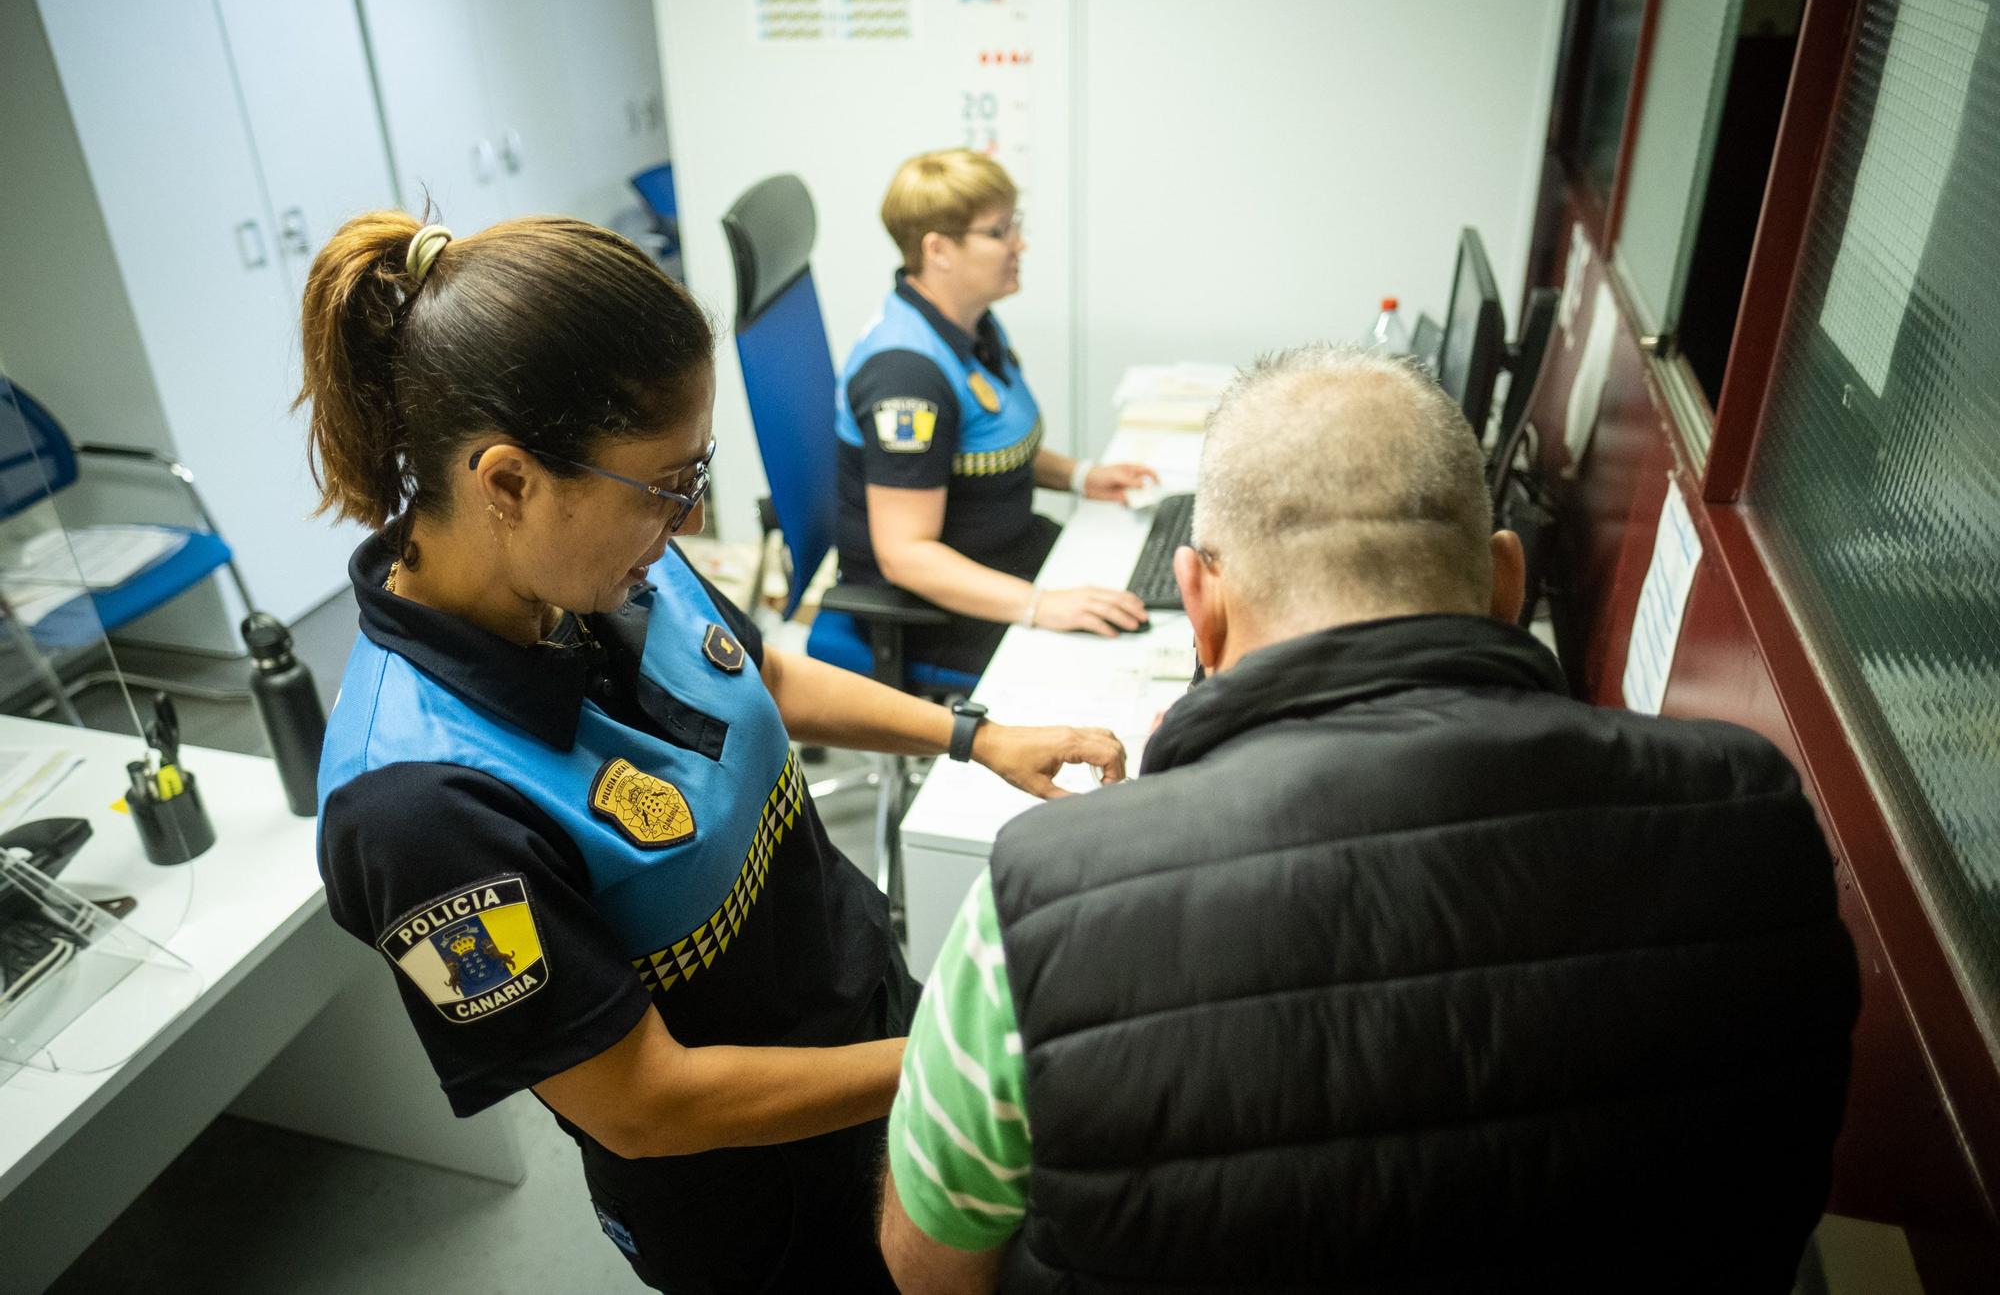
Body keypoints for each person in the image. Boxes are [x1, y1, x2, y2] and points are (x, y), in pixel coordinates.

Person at [878, 344, 1860, 1292]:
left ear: (1199, 604)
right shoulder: (1760, 823)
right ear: (1504, 583)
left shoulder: (1036, 907)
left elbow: (926, 1268)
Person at [298, 211, 1128, 1292]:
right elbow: (647, 1104)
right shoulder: (415, 805)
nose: (684, 521)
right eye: (665, 487)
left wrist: (973, 735)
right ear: (507, 483)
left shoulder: (595, 564)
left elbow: (751, 672)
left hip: (866, 1018)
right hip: (761, 1191)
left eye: (699, 474)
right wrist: (971, 1065)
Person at [834, 148, 1156, 677]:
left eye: (1015, 225)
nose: (1019, 244)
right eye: (999, 231)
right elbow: (905, 554)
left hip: (1004, 557)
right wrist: (1042, 605)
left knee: (1147, 585)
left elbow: (985, 441)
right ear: (938, 249)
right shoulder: (907, 378)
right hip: (936, 614)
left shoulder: (967, 324)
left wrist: (1080, 476)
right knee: (1127, 659)